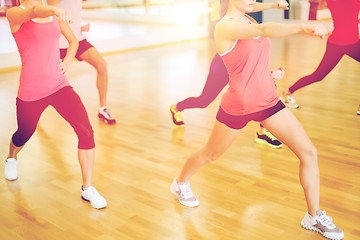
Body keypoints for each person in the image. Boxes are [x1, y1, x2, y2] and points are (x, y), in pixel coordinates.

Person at [170, 0, 344, 239]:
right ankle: (180, 183)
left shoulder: (248, 17)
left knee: (309, 152)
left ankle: (313, 216)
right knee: (211, 154)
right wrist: (304, 26)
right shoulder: (225, 26)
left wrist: (268, 75)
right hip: (238, 106)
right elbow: (262, 31)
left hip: (268, 102)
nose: (253, 0)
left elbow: (250, 57)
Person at [4, 0, 107, 209]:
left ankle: (88, 188)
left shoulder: (54, 15)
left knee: (86, 131)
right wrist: (53, 9)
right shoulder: (15, 14)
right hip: (31, 92)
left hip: (59, 86)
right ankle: (11, 157)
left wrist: (68, 60)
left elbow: (73, 41)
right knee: (24, 133)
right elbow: (33, 11)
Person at [170, 0, 289, 149]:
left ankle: (262, 132)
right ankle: (177, 108)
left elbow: (249, 6)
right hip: (224, 62)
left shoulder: (244, 9)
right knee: (204, 100)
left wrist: (272, 5)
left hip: (243, 58)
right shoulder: (225, 14)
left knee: (264, 88)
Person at [281, 0, 360, 113]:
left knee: (318, 76)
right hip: (338, 44)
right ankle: (289, 91)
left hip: (353, 43)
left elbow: (349, 16)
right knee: (318, 76)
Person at [47, 0, 116, 125]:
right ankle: (36, 112)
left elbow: (72, 11)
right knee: (47, 81)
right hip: (57, 43)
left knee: (102, 65)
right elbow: (50, 4)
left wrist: (80, 27)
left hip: (77, 39)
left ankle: (103, 108)